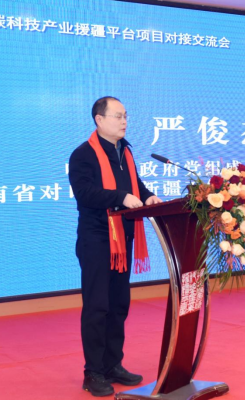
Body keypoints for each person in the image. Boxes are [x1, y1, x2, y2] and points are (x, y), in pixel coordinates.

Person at [69, 96, 162, 397]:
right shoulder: (83, 155)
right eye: (118, 116)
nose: (124, 121)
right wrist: (119, 197)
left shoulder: (125, 151)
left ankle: (112, 365)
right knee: (97, 306)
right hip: (97, 240)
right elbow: (85, 194)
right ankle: (93, 372)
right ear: (99, 119)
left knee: (118, 304)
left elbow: (135, 185)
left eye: (125, 116)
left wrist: (147, 197)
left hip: (124, 238)